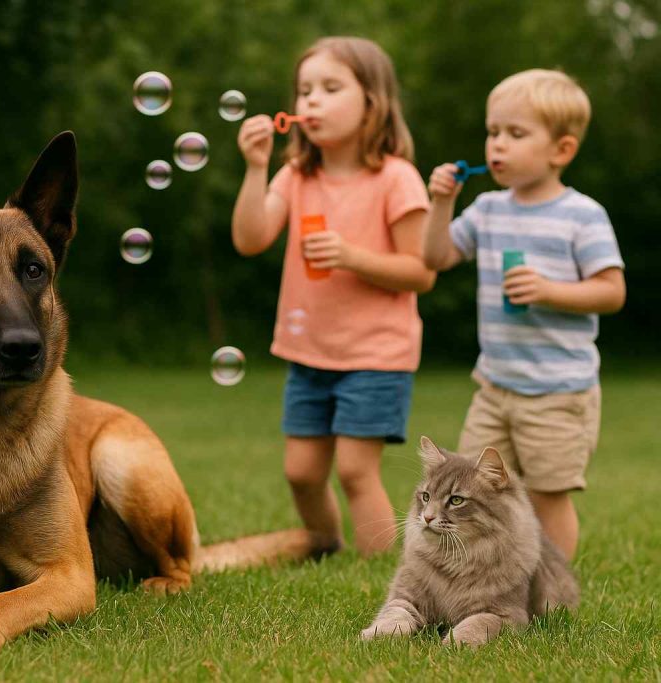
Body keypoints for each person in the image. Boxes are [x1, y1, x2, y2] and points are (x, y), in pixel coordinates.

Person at [231, 36, 434, 556]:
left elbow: (421, 271)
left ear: (373, 103)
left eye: (329, 88)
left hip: (376, 353)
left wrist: (351, 256)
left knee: (354, 469)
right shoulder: (297, 176)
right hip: (310, 350)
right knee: (300, 472)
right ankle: (329, 550)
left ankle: (380, 567)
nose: (311, 101)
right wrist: (256, 168)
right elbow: (250, 238)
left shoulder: (397, 179)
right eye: (303, 90)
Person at [422, 69, 626, 560]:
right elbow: (435, 257)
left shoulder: (582, 215)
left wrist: (550, 290)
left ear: (562, 150)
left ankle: (551, 592)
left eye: (516, 134)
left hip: (559, 391)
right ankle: (473, 580)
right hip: (495, 386)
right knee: (472, 488)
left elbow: (612, 291)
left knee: (549, 495)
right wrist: (441, 203)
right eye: (493, 132)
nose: (498, 145)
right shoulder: (488, 209)